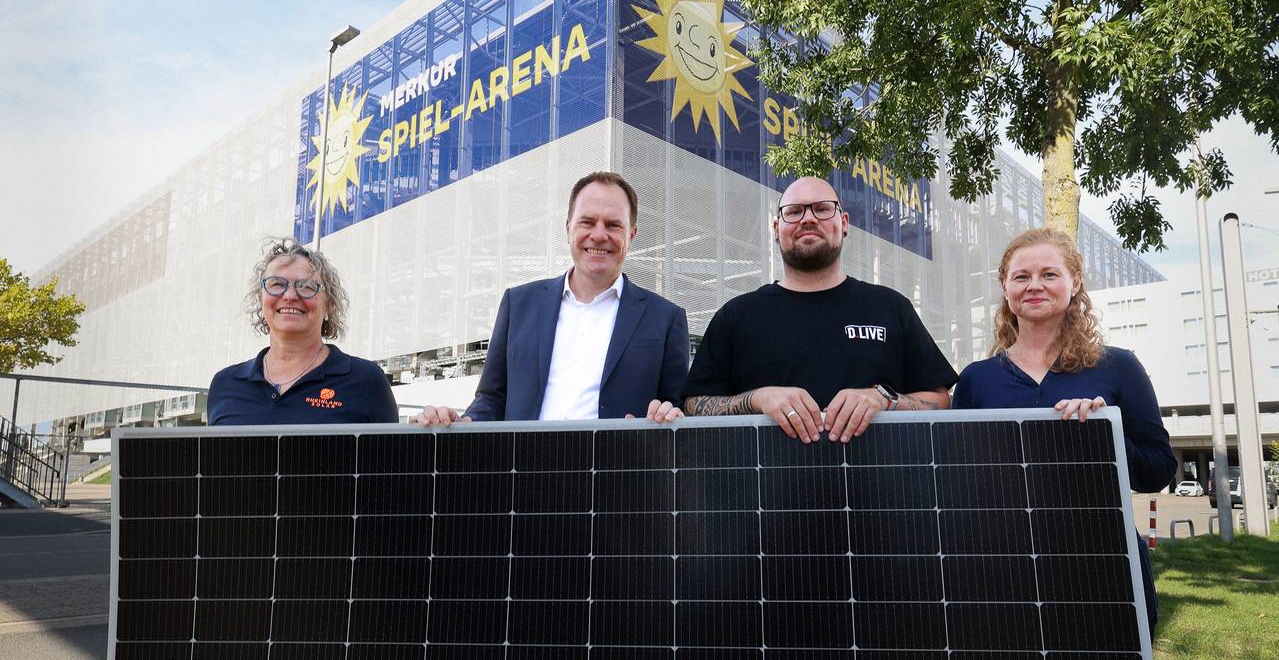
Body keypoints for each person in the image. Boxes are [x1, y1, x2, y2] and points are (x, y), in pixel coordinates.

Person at [952, 227, 1175, 639]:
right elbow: (955, 484)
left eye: (1049, 274)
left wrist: (1104, 433)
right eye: (1021, 277)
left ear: (1075, 284)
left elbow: (1158, 470)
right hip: (1003, 572)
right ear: (1005, 288)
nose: (1034, 285)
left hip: (1103, 568)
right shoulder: (975, 381)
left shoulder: (1118, 367)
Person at [682, 176, 957, 442]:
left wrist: (883, 399)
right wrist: (759, 398)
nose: (808, 218)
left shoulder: (892, 308)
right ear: (776, 228)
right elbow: (694, 405)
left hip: (879, 485)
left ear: (844, 223)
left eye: (823, 209)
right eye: (794, 211)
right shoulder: (736, 316)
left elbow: (940, 401)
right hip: (763, 486)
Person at [412, 172, 688, 426]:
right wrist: (461, 423)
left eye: (613, 225)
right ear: (568, 228)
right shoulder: (518, 304)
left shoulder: (665, 319)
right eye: (587, 222)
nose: (599, 235)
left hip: (616, 472)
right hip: (524, 473)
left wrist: (664, 418)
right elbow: (492, 399)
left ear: (632, 234)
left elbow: (674, 408)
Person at [208, 238, 398, 425]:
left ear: (329, 305)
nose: (289, 296)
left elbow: (395, 454)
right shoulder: (225, 385)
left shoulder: (365, 381)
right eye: (276, 284)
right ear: (261, 299)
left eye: (306, 287)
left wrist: (425, 431)